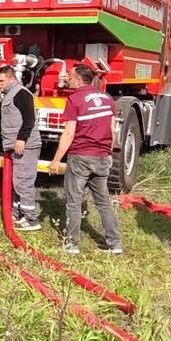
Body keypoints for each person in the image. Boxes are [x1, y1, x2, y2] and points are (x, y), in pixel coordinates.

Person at [47, 63, 121, 255]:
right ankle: (115, 244)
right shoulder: (107, 98)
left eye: (70, 77)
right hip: (102, 156)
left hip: (81, 156)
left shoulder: (75, 99)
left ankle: (72, 244)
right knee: (103, 201)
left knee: (73, 201)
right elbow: (112, 129)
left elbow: (69, 133)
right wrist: (108, 153)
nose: (67, 79)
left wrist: (56, 160)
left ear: (79, 80)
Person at [0, 65, 42, 231]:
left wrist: (22, 138)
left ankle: (31, 219)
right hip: (16, 145)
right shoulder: (10, 95)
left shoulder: (21, 94)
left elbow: (29, 118)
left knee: (24, 182)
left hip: (26, 146)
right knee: (17, 181)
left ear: (11, 78)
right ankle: (18, 213)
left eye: (1, 81)